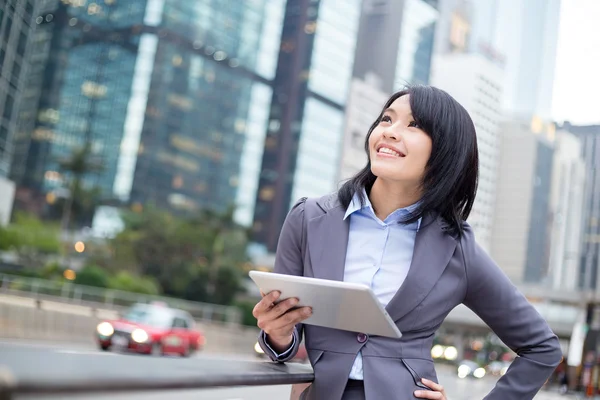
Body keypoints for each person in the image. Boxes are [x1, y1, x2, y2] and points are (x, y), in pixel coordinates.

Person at [252, 85, 563, 400]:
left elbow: (542, 348)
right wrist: (277, 333)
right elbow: (283, 346)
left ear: (445, 151)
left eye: (413, 125)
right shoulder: (308, 219)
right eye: (386, 120)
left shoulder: (455, 247)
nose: (389, 132)